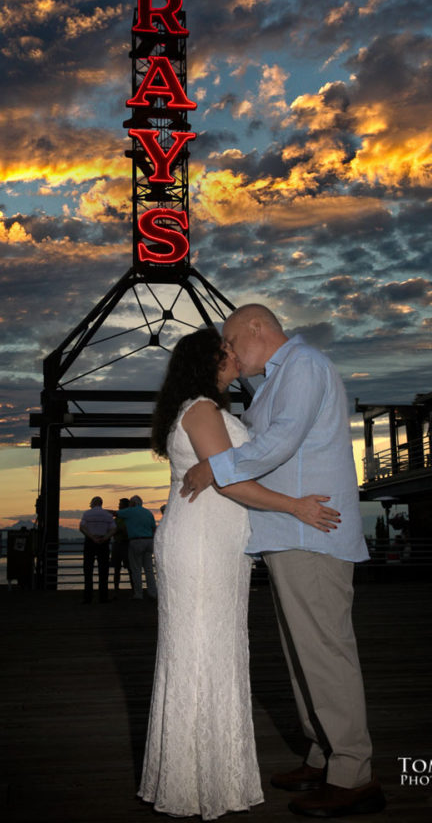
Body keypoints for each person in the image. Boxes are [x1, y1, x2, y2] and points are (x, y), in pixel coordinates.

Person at [182, 305, 385, 819]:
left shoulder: (304, 365)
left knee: (325, 653)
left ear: (256, 327)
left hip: (310, 533)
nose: (228, 352)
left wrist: (214, 468)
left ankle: (354, 774)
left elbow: (280, 442)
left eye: (231, 341)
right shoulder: (271, 383)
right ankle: (322, 755)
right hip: (286, 534)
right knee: (302, 657)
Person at [138, 327, 340, 821]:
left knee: (211, 652)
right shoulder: (203, 410)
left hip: (215, 544)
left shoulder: (210, 409)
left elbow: (229, 468)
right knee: (205, 653)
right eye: (223, 351)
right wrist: (296, 507)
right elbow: (231, 482)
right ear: (205, 362)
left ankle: (198, 776)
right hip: (204, 545)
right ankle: (198, 781)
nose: (231, 355)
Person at [118, 495, 157, 600]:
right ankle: (153, 592)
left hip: (136, 541)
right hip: (149, 541)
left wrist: (102, 511)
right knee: (149, 569)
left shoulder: (130, 511)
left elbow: (115, 513)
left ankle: (138, 594)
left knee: (136, 569)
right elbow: (154, 528)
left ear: (133, 503)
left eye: (130, 503)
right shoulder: (148, 513)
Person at [79, 497, 115, 604]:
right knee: (104, 570)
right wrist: (105, 537)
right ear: (101, 503)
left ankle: (88, 597)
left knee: (88, 570)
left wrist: (92, 538)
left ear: (93, 504)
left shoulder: (87, 514)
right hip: (103, 542)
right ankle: (103, 597)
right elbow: (114, 528)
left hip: (90, 542)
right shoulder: (107, 515)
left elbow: (82, 527)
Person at [111, 497, 132, 592]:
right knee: (117, 568)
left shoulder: (127, 517)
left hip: (126, 544)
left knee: (130, 568)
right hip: (118, 543)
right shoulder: (117, 518)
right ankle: (116, 589)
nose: (118, 506)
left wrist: (118, 530)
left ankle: (134, 589)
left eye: (120, 504)